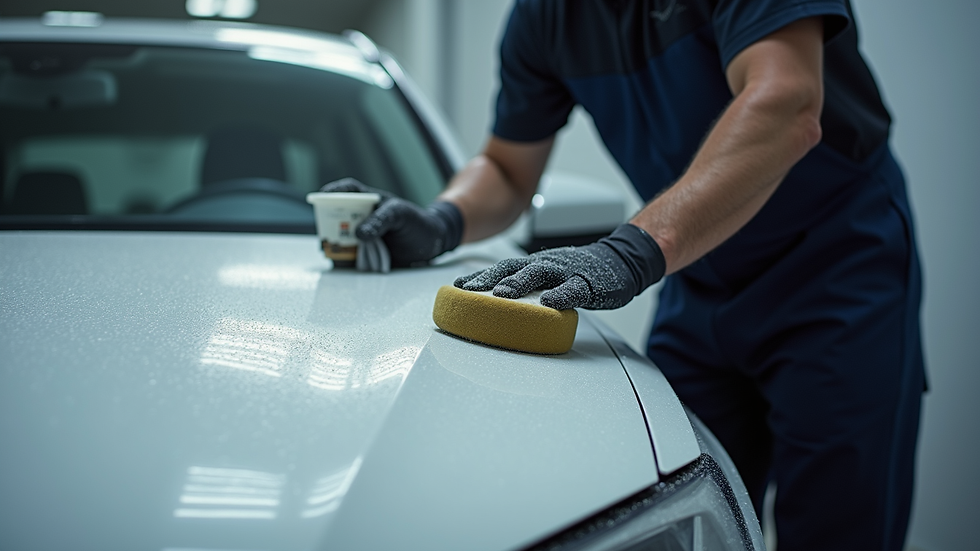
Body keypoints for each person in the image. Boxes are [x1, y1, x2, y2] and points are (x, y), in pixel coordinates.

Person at [323, 0, 925, 549]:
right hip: (700, 282)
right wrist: (442, 221)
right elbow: (508, 168)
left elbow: (787, 102)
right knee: (670, 516)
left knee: (839, 530)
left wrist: (629, 252)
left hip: (834, 273)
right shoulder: (545, 18)